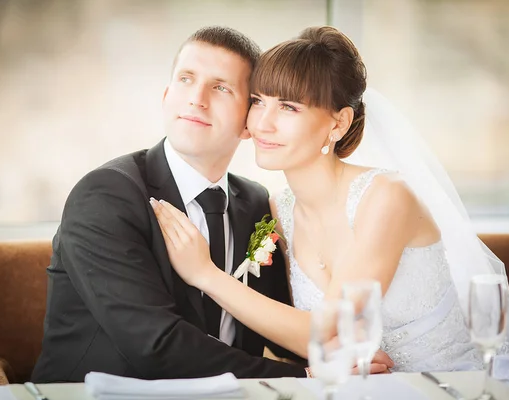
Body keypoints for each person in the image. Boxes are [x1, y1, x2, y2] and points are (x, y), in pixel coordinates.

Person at [152, 26, 509, 373]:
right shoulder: (277, 210)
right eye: (258, 101)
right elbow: (311, 342)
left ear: (338, 123)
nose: (263, 122)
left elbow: (328, 330)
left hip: (447, 386)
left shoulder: (388, 197)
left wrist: (205, 274)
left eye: (288, 107)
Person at [32, 26, 317, 382]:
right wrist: (302, 378)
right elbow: (157, 346)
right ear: (167, 95)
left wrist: (342, 356)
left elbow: (275, 319)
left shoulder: (256, 202)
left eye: (220, 87)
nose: (197, 98)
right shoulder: (105, 195)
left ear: (249, 121)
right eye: (186, 79)